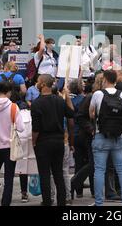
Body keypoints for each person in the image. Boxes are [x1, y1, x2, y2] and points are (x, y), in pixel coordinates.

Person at [89, 70, 122, 206]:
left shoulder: (97, 94)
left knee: (99, 170)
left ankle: (99, 202)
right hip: (119, 137)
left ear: (105, 79)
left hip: (101, 135)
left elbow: (91, 113)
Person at [31, 74, 74, 206]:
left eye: (38, 81)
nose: (36, 83)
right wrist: (67, 99)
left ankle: (47, 201)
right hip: (58, 141)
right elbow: (71, 114)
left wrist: (33, 142)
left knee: (44, 175)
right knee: (58, 174)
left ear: (43, 84)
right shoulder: (59, 101)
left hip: (43, 142)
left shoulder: (36, 103)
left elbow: (36, 128)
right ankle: (62, 202)